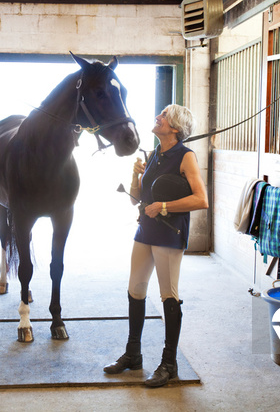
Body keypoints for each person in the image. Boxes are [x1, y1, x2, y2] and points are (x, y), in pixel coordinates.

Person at [103, 104, 209, 387]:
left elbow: (201, 200)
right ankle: (133, 354)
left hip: (169, 233)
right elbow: (135, 199)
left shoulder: (186, 157)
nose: (158, 117)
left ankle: (169, 363)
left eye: (163, 115)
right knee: (135, 290)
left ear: (174, 127)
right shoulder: (152, 155)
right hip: (145, 230)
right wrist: (136, 175)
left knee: (168, 296)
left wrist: (164, 205)